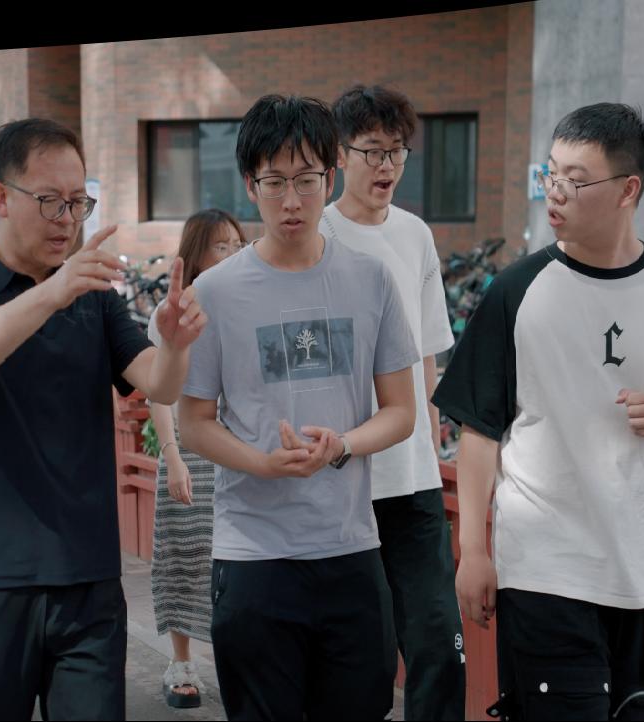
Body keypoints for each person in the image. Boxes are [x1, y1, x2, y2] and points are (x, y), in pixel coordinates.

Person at [434, 102, 644, 721]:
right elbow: (479, 432)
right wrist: (474, 552)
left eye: (576, 179)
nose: (556, 192)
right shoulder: (516, 292)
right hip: (545, 569)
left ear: (629, 190)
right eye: (551, 173)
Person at [0, 117, 207, 720]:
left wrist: (176, 345)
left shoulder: (95, 298)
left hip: (87, 578)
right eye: (50, 201)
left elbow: (158, 382)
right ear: (1, 197)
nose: (68, 220)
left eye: (78, 202)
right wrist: (53, 292)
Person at [178, 94, 419, 721]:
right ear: (250, 184)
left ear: (330, 178)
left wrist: (343, 445)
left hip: (350, 548)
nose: (292, 201)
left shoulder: (371, 278)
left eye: (307, 180)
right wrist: (261, 463)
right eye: (275, 182)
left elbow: (401, 411)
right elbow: (193, 423)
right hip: (254, 556)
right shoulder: (215, 291)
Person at [321, 83, 466, 721]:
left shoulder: (414, 235)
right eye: (373, 151)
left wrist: (431, 446)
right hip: (343, 479)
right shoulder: (317, 233)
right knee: (363, 655)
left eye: (397, 152)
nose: (387, 166)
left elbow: (426, 353)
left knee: (438, 642)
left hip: (413, 478)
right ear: (340, 155)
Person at [147, 208, 245, 709]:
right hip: (188, 450)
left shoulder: (249, 301)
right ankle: (181, 661)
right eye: (220, 246)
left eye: (236, 245)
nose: (230, 254)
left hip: (236, 451)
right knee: (183, 554)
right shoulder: (173, 308)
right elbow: (158, 392)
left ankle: (237, 660)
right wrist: (172, 456)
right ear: (197, 253)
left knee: (234, 560)